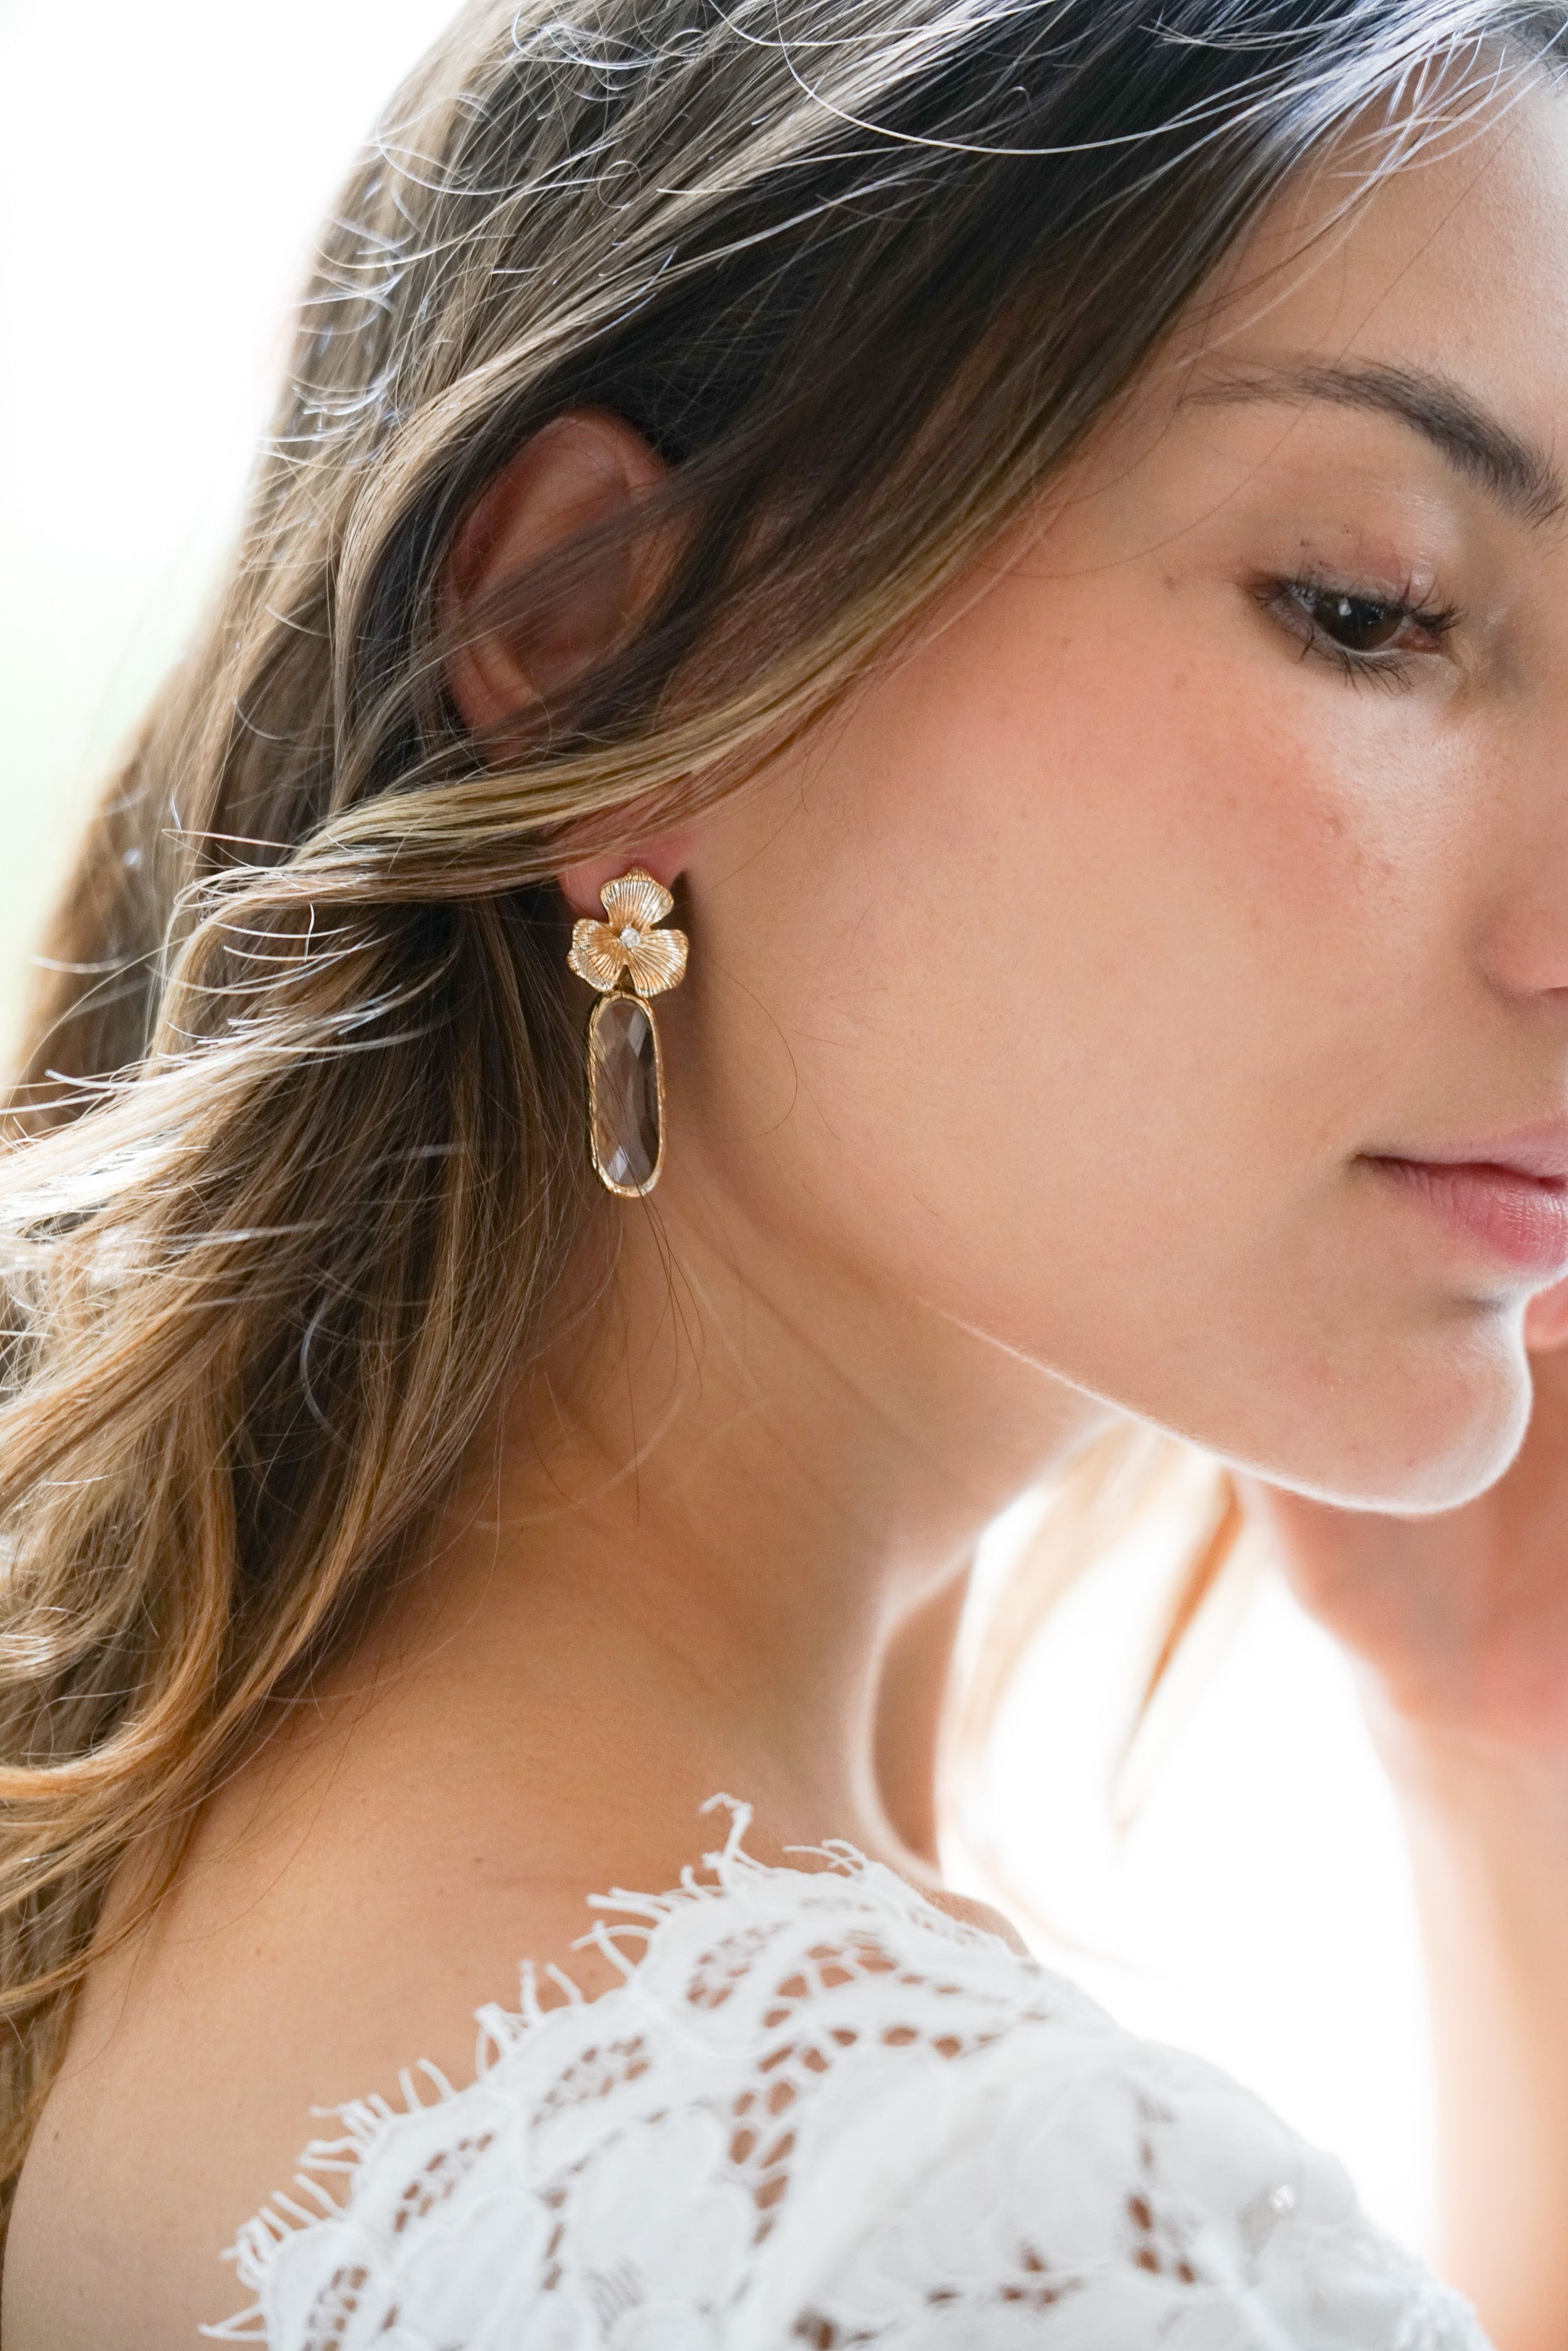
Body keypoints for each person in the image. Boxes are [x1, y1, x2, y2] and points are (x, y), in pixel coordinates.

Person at [3, 0, 1568, 2341]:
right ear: (595, 639)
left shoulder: (215, 1898)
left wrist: (1497, 1759)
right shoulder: (950, 2201)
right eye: (1370, 611)